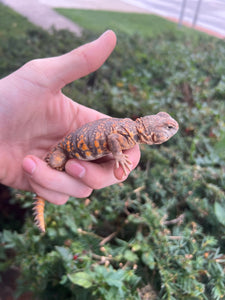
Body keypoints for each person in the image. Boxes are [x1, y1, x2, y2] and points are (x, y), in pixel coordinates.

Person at [0, 30, 140, 205]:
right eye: (167, 128)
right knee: (58, 167)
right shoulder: (128, 133)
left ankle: (42, 196)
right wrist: (118, 156)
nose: (170, 130)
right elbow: (112, 137)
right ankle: (41, 198)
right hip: (66, 149)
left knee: (65, 175)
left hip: (69, 148)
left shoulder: (130, 132)